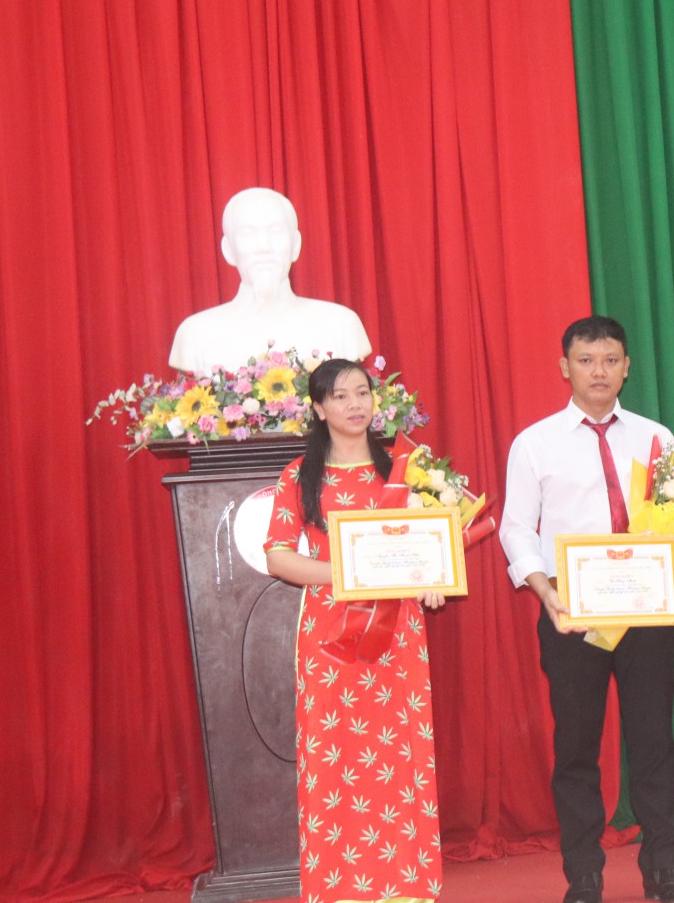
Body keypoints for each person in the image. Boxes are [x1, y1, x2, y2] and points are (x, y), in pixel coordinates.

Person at [499, 316, 674, 903]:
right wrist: (544, 591)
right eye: (586, 361)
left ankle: (664, 869)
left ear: (627, 367)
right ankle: (584, 875)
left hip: (647, 607)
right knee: (577, 746)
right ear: (565, 367)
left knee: (653, 740)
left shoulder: (657, 438)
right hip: (571, 609)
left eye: (610, 360)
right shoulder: (535, 442)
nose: (599, 371)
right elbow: (516, 528)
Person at [263, 358, 447, 903]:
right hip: (331, 634)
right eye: (339, 396)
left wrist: (433, 579)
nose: (354, 404)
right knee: (335, 754)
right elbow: (278, 557)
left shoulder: (408, 472)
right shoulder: (299, 475)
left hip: (398, 631)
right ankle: (339, 888)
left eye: (362, 392)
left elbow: (431, 546)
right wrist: (352, 573)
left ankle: (407, 886)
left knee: (400, 752)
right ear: (319, 409)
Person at [170, 187, 371, 375]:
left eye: (276, 231)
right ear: (228, 250)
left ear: (296, 245)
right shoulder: (195, 334)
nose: (264, 247)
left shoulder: (341, 325)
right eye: (247, 233)